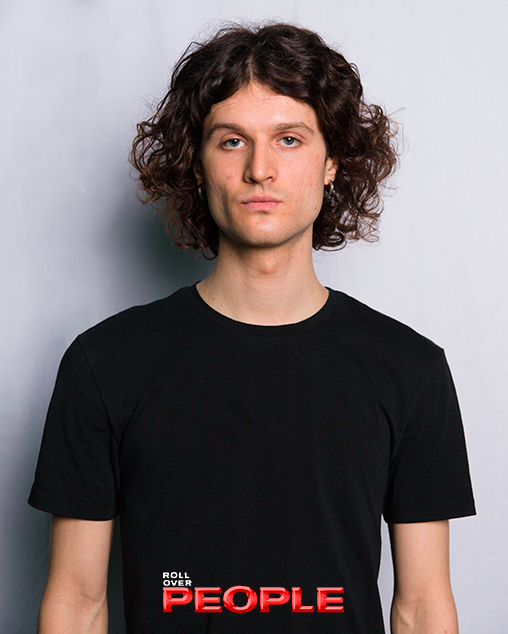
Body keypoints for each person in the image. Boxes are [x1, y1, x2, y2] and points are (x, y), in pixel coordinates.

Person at [29, 22, 475, 634]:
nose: (260, 169)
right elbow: (77, 605)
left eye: (289, 139)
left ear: (331, 163)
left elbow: (422, 607)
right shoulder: (105, 363)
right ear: (197, 163)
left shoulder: (409, 369)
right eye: (232, 141)